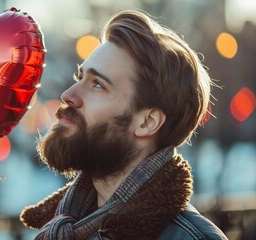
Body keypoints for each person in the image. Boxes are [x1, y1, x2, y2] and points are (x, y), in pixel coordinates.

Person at [20, 10, 228, 239]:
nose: (68, 95)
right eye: (80, 78)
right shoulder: (65, 228)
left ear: (147, 122)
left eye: (97, 84)